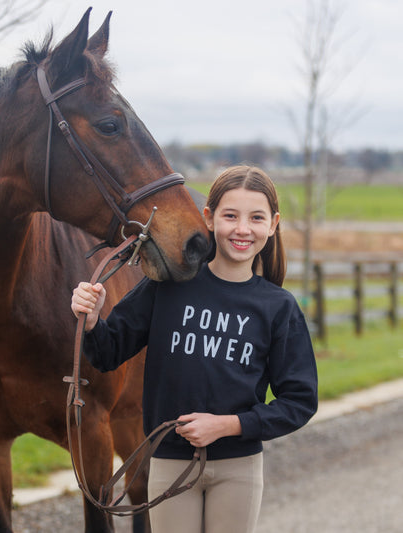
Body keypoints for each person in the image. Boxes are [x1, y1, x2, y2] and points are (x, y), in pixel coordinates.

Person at [71, 165, 318, 533]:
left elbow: (299, 401)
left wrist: (229, 425)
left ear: (273, 224)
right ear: (208, 216)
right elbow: (108, 352)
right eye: (230, 215)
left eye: (256, 218)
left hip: (239, 468)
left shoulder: (278, 308)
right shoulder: (169, 286)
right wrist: (91, 320)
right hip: (169, 461)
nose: (242, 229)